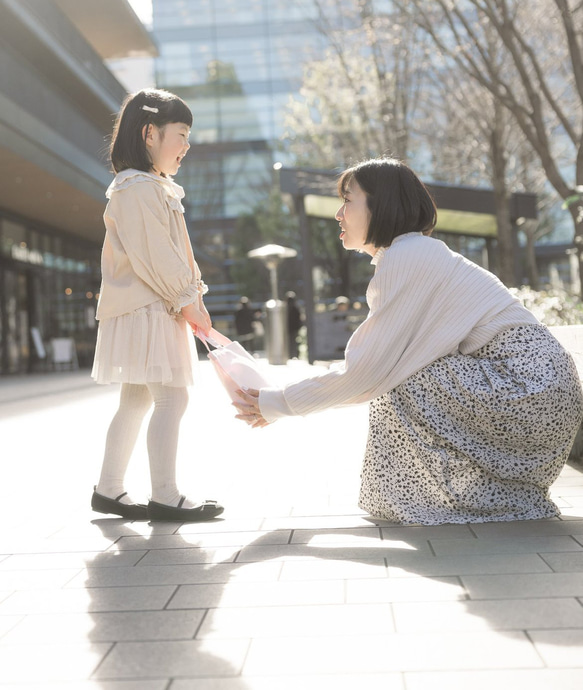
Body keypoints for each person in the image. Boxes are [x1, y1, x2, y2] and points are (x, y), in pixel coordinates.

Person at [234, 158, 583, 525]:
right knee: (401, 372)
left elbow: (366, 370)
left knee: (399, 377)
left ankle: (468, 501)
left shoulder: (407, 255)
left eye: (348, 200)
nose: (339, 213)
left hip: (529, 388)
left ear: (380, 205)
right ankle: (479, 498)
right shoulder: (415, 253)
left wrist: (280, 402)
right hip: (543, 392)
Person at [90, 88, 223, 523]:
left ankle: (109, 489)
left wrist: (190, 295)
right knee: (172, 399)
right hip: (150, 308)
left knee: (137, 400)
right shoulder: (139, 188)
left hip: (144, 307)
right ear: (150, 133)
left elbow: (165, 252)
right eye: (180, 134)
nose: (187, 145)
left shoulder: (142, 187)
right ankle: (165, 494)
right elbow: (159, 256)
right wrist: (189, 300)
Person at [285, 291, 302, 358]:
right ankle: (295, 355)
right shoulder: (296, 307)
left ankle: (291, 355)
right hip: (294, 328)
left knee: (291, 342)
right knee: (294, 342)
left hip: (289, 328)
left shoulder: (286, 308)